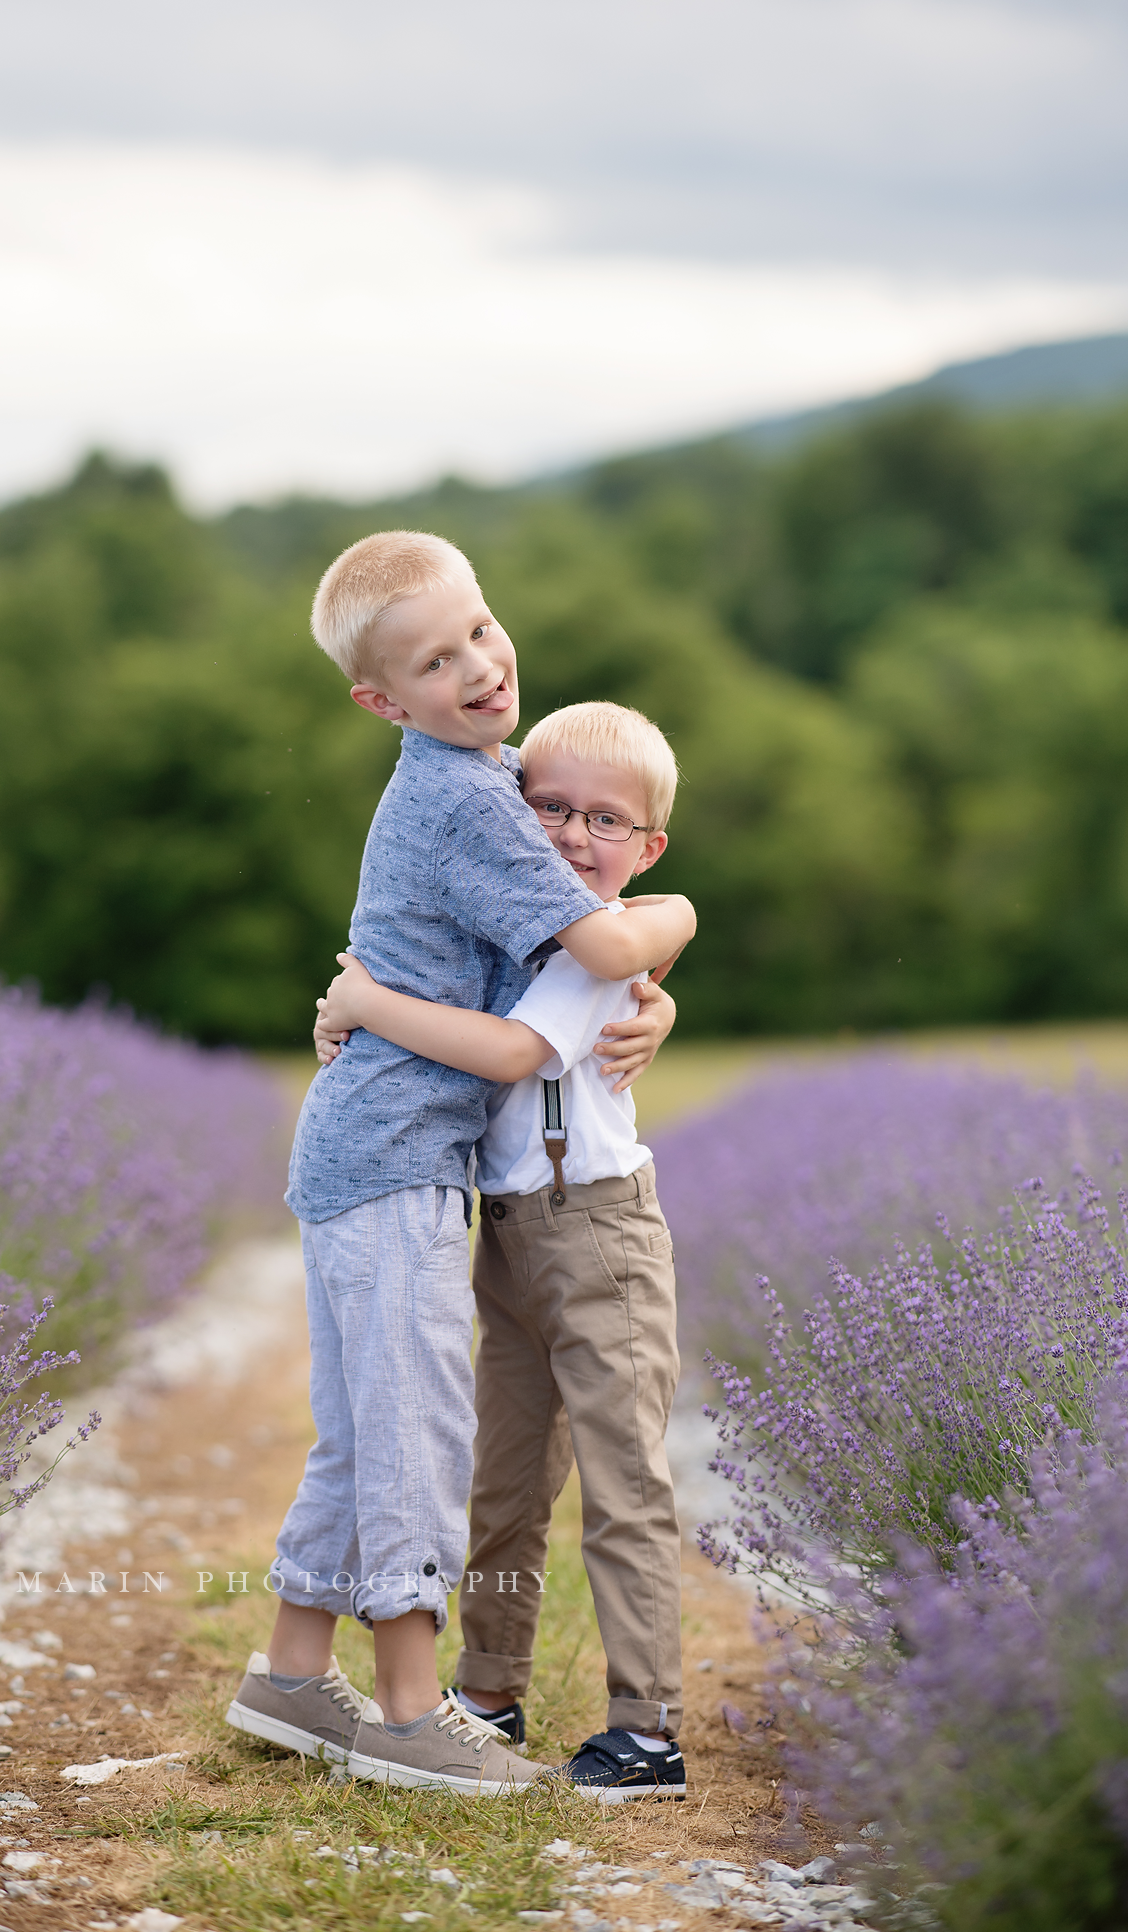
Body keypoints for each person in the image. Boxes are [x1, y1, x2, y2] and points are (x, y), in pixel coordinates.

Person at [226, 532, 694, 1794]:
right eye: (436, 661)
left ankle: (285, 1675)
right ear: (383, 700)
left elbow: (584, 950)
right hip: (397, 1159)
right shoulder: (473, 797)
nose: (480, 667)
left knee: (362, 1431)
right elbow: (593, 951)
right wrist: (672, 926)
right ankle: (410, 1710)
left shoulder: (468, 779)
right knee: (418, 1433)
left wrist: (652, 980)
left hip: (366, 1151)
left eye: (481, 630)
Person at [315, 700, 690, 1802]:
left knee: (623, 1479)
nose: (575, 836)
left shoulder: (594, 947)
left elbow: (516, 1052)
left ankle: (647, 1730)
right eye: (551, 809)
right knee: (506, 1478)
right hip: (512, 1233)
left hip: (601, 1235)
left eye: (605, 821)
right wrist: (353, 1014)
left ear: (647, 846)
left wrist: (369, 1002)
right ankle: (487, 1691)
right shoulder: (523, 933)